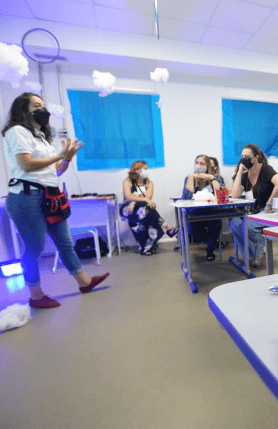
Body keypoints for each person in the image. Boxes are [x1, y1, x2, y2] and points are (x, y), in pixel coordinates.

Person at [2, 92, 110, 309]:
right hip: (26, 196)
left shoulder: (40, 137)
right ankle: (36, 295)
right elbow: (27, 165)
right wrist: (60, 155)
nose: (43, 109)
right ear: (24, 110)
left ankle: (84, 282)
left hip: (50, 195)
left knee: (65, 243)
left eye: (43, 104)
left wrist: (66, 158)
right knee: (34, 247)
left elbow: (55, 172)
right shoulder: (17, 131)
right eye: (36, 105)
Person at [230, 144, 278, 267]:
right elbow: (234, 195)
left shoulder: (265, 169)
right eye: (241, 157)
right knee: (234, 224)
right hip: (250, 212)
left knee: (248, 225)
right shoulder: (244, 176)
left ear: (256, 157)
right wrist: (240, 172)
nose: (243, 159)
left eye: (247, 156)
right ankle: (252, 256)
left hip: (265, 212)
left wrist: (269, 202)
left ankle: (258, 253)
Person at [120, 161, 177, 255]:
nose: (147, 170)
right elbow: (128, 197)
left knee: (146, 211)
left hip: (143, 209)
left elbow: (148, 198)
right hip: (128, 209)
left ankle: (147, 247)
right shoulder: (128, 181)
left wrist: (135, 201)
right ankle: (167, 228)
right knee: (147, 209)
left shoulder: (149, 183)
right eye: (145, 168)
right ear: (137, 170)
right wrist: (134, 202)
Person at [182, 154, 222, 261]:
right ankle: (210, 242)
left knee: (216, 225)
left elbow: (222, 196)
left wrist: (212, 179)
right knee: (192, 229)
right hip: (195, 213)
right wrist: (191, 178)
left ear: (208, 166)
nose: (198, 165)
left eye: (202, 163)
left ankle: (210, 249)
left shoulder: (216, 178)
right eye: (197, 162)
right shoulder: (189, 178)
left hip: (212, 212)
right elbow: (186, 199)